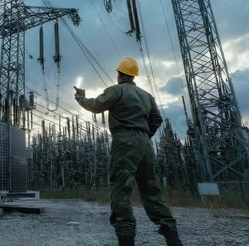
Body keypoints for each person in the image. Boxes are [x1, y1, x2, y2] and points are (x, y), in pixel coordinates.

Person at [74, 57, 183, 246]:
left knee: (121, 188)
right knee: (150, 190)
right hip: (145, 144)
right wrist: (144, 135)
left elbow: (96, 106)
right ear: (133, 75)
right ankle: (173, 238)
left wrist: (81, 98)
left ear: (119, 74)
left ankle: (126, 238)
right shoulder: (147, 96)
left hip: (124, 140)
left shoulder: (116, 90)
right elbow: (156, 119)